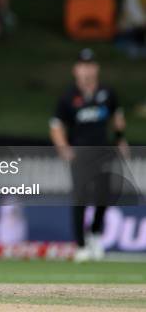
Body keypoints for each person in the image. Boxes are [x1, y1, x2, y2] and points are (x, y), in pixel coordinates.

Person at [49, 48, 128, 262]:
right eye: (83, 66)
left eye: (90, 65)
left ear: (96, 68)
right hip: (80, 154)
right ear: (76, 70)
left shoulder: (107, 93)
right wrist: (63, 147)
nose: (87, 70)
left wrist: (120, 139)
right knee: (80, 198)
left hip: (103, 152)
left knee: (105, 195)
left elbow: (117, 117)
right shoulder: (68, 97)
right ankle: (81, 246)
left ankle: (95, 232)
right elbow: (56, 126)